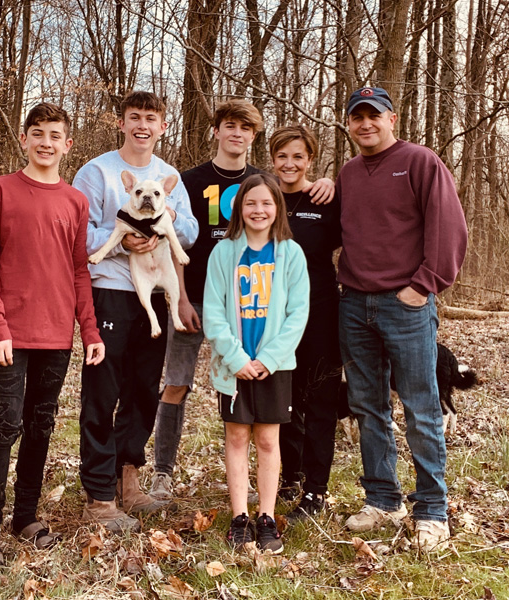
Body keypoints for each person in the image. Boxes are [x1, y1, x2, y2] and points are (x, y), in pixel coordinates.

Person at [149, 100, 333, 501]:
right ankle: (162, 472)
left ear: (254, 136)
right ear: (215, 131)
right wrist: (178, 296)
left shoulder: (262, 182)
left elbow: (294, 199)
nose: (237, 134)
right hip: (195, 298)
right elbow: (173, 240)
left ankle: (261, 484)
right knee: (177, 383)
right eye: (229, 126)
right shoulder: (189, 181)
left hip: (247, 305)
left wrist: (329, 183)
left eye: (245, 128)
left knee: (257, 389)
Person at [0, 103, 105, 566]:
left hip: (56, 336)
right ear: (24, 139)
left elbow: (79, 271)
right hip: (9, 334)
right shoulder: (0, 190)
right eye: (38, 133)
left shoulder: (75, 201)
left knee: (41, 425)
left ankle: (24, 516)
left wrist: (89, 331)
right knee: (5, 422)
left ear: (68, 144)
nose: (46, 142)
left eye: (55, 135)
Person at [336, 87, 467, 551]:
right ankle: (382, 499)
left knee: (421, 407)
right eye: (357, 117)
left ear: (392, 118)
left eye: (374, 116)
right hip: (354, 304)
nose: (366, 124)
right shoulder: (348, 173)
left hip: (406, 304)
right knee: (368, 407)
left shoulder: (419, 161)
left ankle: (431, 509)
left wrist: (425, 284)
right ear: (348, 123)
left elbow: (448, 226)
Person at [73, 91, 198, 533]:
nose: (142, 125)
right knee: (103, 390)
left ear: (163, 126)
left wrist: (162, 226)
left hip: (155, 297)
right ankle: (99, 494)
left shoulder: (168, 177)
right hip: (109, 292)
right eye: (134, 117)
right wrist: (121, 237)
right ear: (121, 123)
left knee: (144, 389)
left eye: (151, 118)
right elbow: (77, 230)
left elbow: (189, 229)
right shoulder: (97, 172)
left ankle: (130, 479)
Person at [203, 173, 309, 553]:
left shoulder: (290, 253)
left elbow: (298, 314)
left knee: (267, 439)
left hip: (274, 366)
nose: (258, 210)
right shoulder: (224, 253)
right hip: (234, 367)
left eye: (266, 203)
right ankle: (239, 517)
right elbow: (213, 313)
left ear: (277, 208)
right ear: (239, 208)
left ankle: (266, 516)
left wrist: (268, 358)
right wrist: (236, 358)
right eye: (251, 203)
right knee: (236, 438)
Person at [269, 126, 342, 521]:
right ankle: (290, 475)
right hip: (273, 315)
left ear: (310, 160)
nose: (290, 164)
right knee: (283, 398)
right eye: (283, 156)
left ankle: (315, 490)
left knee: (318, 400)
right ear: (272, 159)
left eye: (298, 156)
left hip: (320, 311)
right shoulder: (263, 196)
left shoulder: (325, 198)